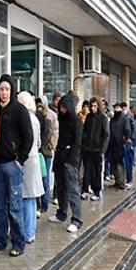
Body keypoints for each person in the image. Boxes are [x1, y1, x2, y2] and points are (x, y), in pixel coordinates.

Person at [0, 75, 32, 256]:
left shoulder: (19, 110)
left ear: (12, 90)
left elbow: (28, 137)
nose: (4, 93)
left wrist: (19, 160)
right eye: (1, 89)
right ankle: (0, 240)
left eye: (7, 89)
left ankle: (18, 243)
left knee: (15, 206)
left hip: (12, 165)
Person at [52, 90, 83, 234]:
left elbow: (77, 142)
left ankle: (76, 219)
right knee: (61, 188)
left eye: (64, 107)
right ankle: (61, 213)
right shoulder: (61, 119)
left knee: (72, 190)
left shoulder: (76, 121)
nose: (62, 110)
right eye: (60, 108)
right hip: (60, 159)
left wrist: (70, 160)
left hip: (70, 161)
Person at [17, 91, 44, 242]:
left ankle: (26, 232)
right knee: (32, 199)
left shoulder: (24, 118)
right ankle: (31, 232)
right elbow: (38, 142)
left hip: (26, 160)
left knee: (26, 197)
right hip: (34, 159)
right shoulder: (35, 118)